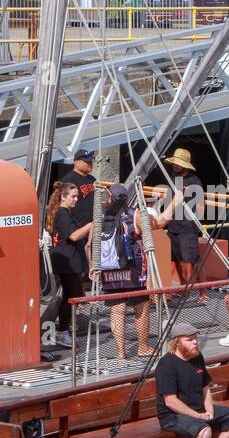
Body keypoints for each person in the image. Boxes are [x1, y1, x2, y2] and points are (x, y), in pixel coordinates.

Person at [99, 183, 158, 360]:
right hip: (133, 268)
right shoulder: (135, 214)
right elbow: (157, 224)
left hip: (109, 269)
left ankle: (120, 351)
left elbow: (89, 244)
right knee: (141, 308)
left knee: (117, 311)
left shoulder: (100, 216)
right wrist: (173, 204)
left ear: (110, 198)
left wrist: (93, 267)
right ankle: (143, 347)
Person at [47, 181, 92, 347]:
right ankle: (62, 331)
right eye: (72, 197)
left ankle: (64, 329)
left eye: (77, 197)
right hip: (68, 262)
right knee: (71, 297)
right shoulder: (62, 214)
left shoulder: (65, 213)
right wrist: (90, 225)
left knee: (70, 296)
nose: (75, 200)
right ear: (63, 196)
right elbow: (73, 236)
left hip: (71, 260)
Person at [162, 146, 206, 301]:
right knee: (177, 259)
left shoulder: (194, 181)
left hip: (188, 227)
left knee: (191, 260)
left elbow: (201, 204)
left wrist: (196, 223)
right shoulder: (173, 178)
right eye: (174, 162)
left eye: (178, 163)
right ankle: (183, 289)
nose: (175, 165)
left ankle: (202, 292)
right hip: (173, 225)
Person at [58, 149, 97, 229]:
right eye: (87, 162)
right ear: (76, 163)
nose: (90, 164)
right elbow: (61, 204)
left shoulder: (92, 179)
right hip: (76, 227)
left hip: (91, 226)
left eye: (91, 161)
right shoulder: (68, 180)